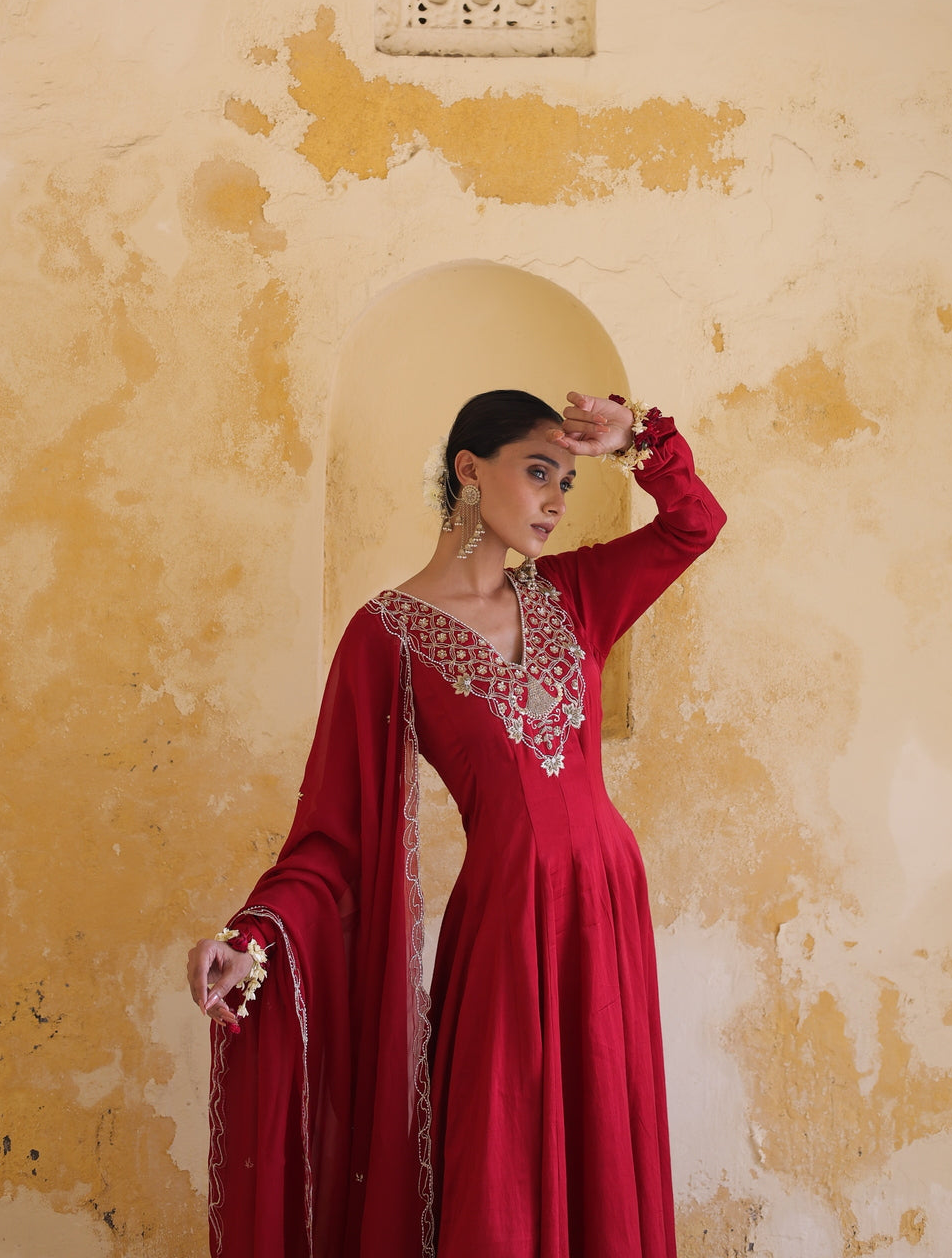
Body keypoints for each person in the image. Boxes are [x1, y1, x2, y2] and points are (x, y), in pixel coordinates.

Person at [187, 389, 726, 1258]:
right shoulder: (386, 636)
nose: (555, 499)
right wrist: (252, 938)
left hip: (605, 900)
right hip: (507, 918)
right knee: (499, 1153)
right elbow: (334, 828)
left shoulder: (573, 594)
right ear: (469, 469)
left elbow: (694, 525)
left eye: (567, 482)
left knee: (601, 1132)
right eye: (538, 472)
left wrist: (640, 440)